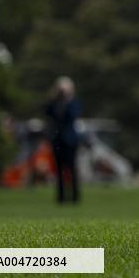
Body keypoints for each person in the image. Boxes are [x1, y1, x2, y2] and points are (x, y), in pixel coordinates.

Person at [44, 76, 81, 204]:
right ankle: (61, 197)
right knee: (58, 170)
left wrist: (68, 98)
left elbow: (74, 115)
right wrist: (54, 97)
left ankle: (75, 197)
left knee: (72, 169)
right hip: (57, 140)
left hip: (70, 141)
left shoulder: (73, 102)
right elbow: (47, 112)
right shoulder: (54, 102)